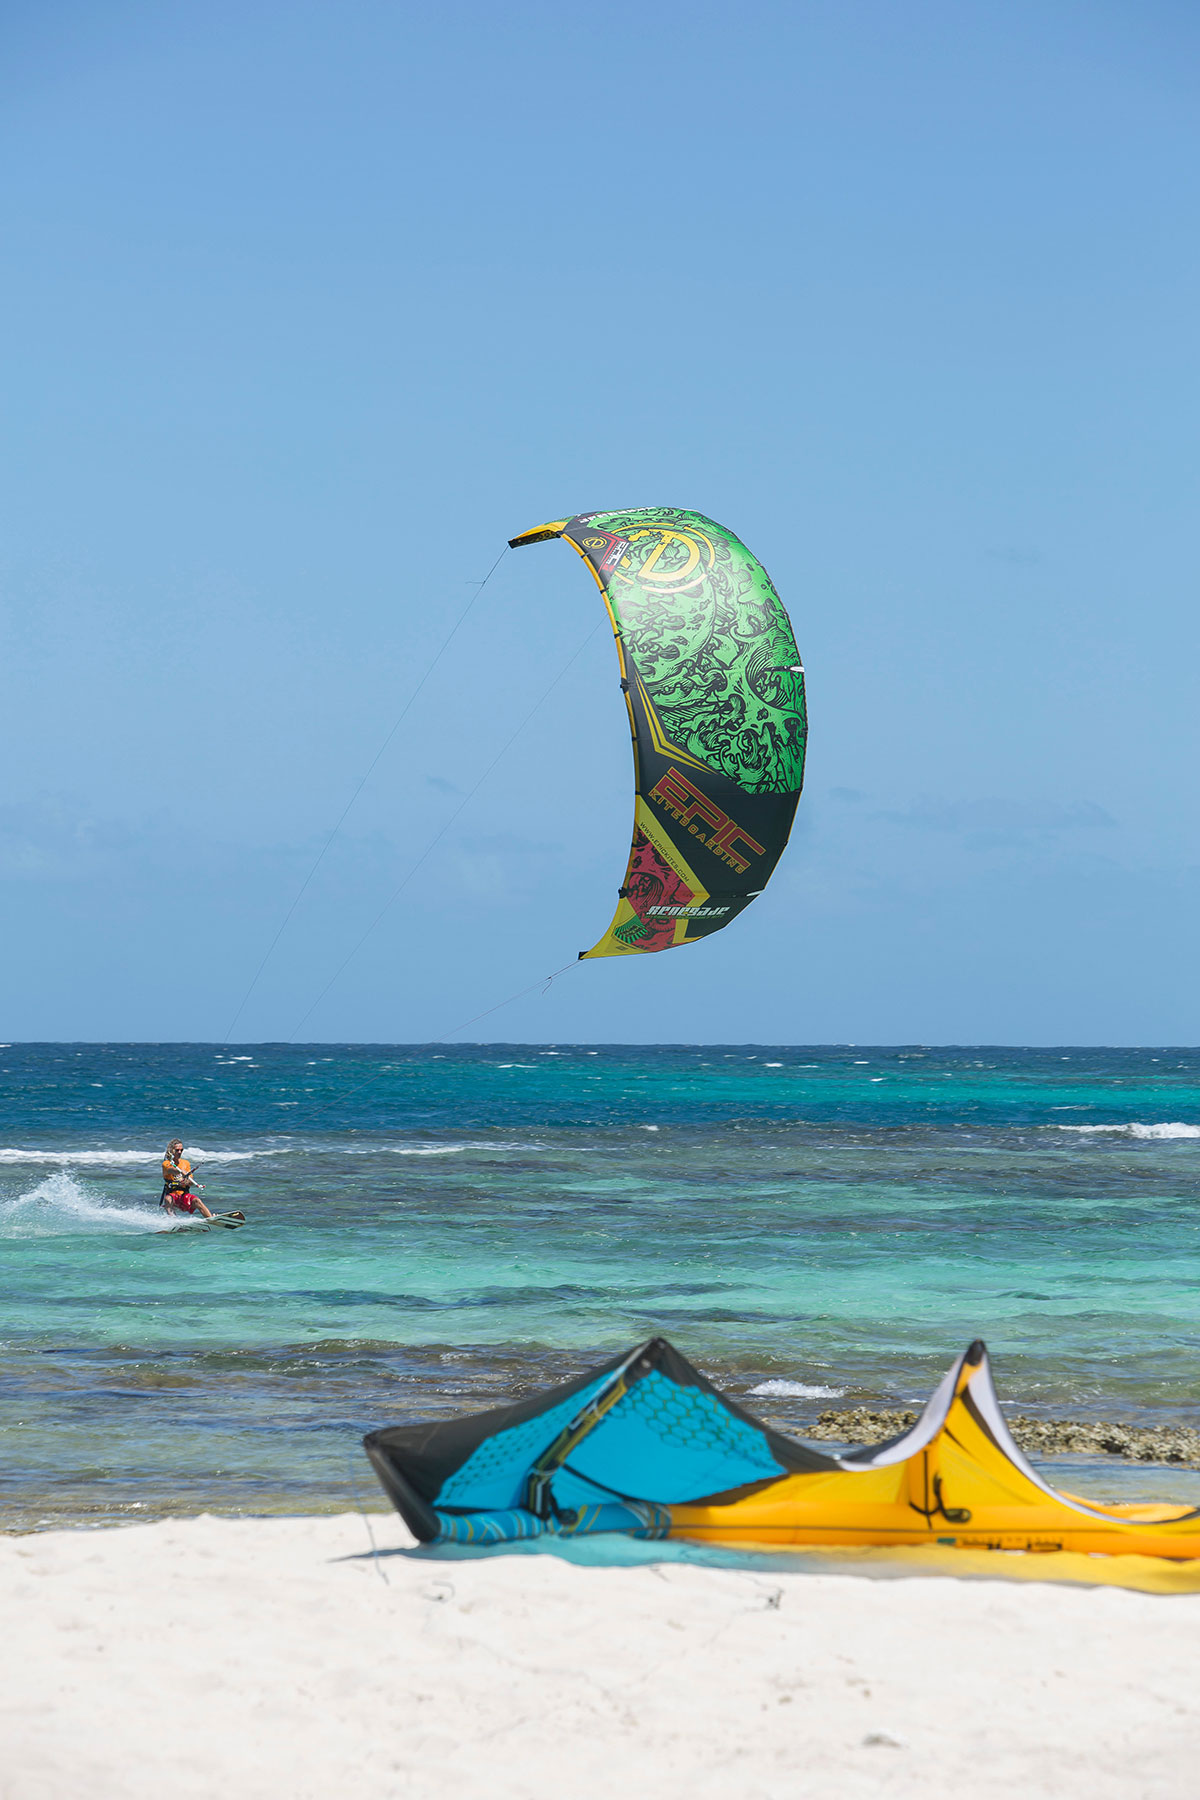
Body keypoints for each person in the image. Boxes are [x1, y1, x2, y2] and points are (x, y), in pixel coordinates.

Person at [160, 1140, 213, 1220]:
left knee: (197, 1200)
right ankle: (173, 1221)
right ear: (171, 1151)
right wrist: (181, 1171)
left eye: (181, 1150)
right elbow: (170, 1170)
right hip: (172, 1196)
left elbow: (190, 1180)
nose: (180, 1152)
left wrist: (187, 1181)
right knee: (168, 1199)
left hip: (183, 1196)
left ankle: (211, 1219)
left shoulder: (186, 1163)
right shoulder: (166, 1163)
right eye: (177, 1150)